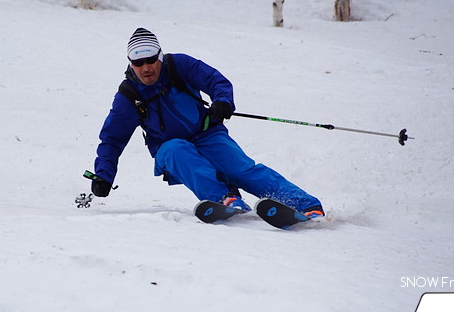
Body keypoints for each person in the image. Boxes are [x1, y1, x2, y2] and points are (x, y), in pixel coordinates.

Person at [91, 27, 324, 219]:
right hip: (169, 148)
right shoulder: (129, 94)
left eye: (151, 60)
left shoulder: (178, 65)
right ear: (131, 63)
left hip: (207, 134)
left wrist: (222, 102)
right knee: (176, 149)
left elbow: (215, 80)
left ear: (159, 56)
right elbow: (112, 139)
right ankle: (223, 198)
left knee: (241, 170)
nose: (146, 67)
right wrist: (104, 175)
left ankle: (305, 205)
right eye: (139, 62)